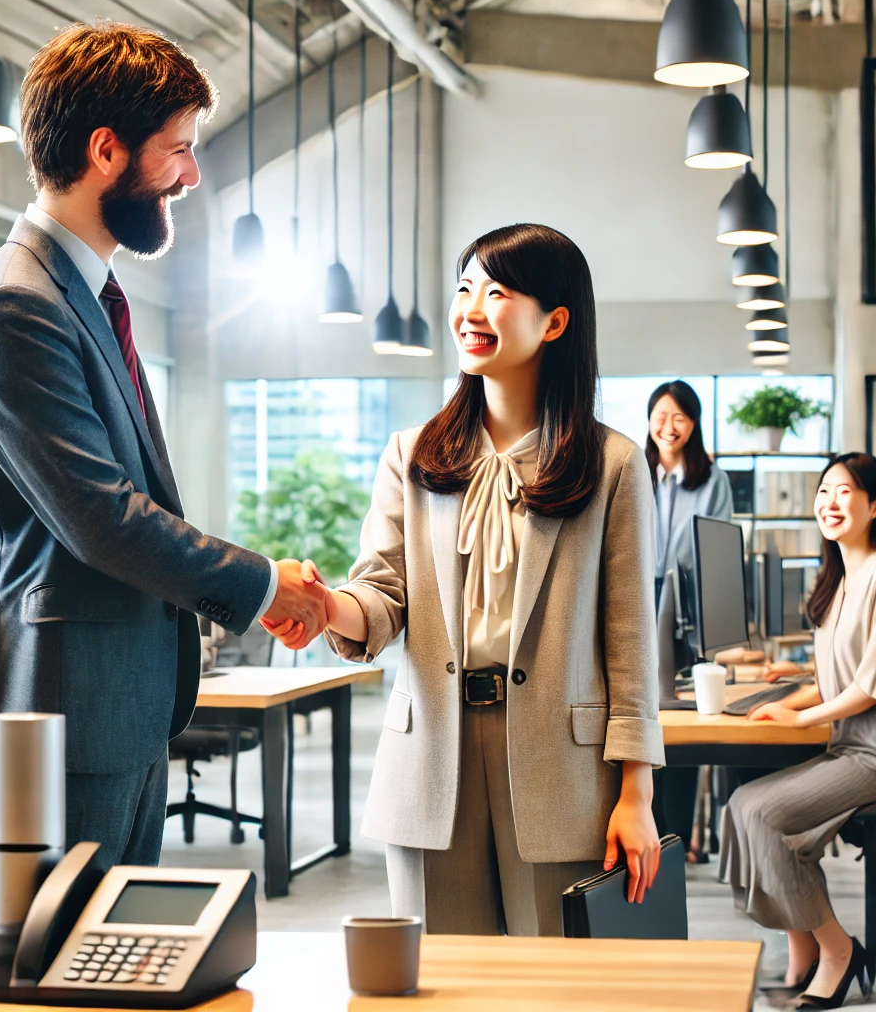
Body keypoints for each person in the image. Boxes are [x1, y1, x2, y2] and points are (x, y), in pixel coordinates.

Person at [0, 22, 328, 903]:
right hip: (52, 722)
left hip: (111, 711)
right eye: (179, 151)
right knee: (48, 974)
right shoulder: (16, 306)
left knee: (112, 965)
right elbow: (101, 516)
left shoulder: (82, 295)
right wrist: (264, 586)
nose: (191, 176)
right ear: (106, 150)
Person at [269, 224, 666, 936]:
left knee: (553, 987)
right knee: (443, 988)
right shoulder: (412, 456)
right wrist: (330, 607)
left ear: (555, 321)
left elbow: (630, 644)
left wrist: (636, 791)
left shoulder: (612, 466)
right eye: (464, 289)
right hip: (429, 765)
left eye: (497, 291)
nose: (471, 309)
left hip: (560, 772)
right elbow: (383, 598)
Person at [724, 453, 876, 1008]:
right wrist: (776, 704)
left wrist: (798, 717)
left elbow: (871, 689)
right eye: (823, 492)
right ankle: (802, 955)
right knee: (742, 805)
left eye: (844, 493)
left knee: (766, 817)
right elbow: (829, 680)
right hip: (852, 743)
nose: (829, 503)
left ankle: (838, 951)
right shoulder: (840, 580)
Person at [643, 380, 733, 858]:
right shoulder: (635, 471)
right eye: (661, 415)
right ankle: (649, 830)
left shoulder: (711, 479)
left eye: (680, 417)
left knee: (682, 719)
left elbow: (715, 546)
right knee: (644, 714)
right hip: (637, 598)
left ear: (694, 424)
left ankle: (677, 833)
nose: (669, 426)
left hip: (687, 605)